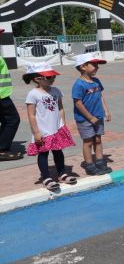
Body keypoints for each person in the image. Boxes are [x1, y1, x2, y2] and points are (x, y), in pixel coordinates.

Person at [23, 63, 76, 191]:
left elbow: (61, 108)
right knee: (43, 153)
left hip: (56, 128)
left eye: (53, 76)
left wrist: (63, 124)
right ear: (37, 79)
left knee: (58, 151)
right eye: (49, 77)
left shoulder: (56, 91)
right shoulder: (33, 94)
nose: (52, 78)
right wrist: (36, 132)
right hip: (43, 130)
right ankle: (46, 177)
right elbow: (31, 115)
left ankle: (62, 173)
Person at [72, 54, 111, 175]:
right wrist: (90, 117)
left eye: (97, 65)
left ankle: (99, 162)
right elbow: (78, 103)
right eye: (94, 64)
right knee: (88, 142)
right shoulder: (79, 84)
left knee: (98, 140)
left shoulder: (96, 81)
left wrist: (106, 110)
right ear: (83, 66)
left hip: (98, 117)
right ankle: (89, 165)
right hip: (84, 119)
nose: (97, 67)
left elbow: (100, 96)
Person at [0, 53, 22, 161]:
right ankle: (2, 149)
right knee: (13, 120)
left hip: (2, 94)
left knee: (6, 121)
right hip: (1, 96)